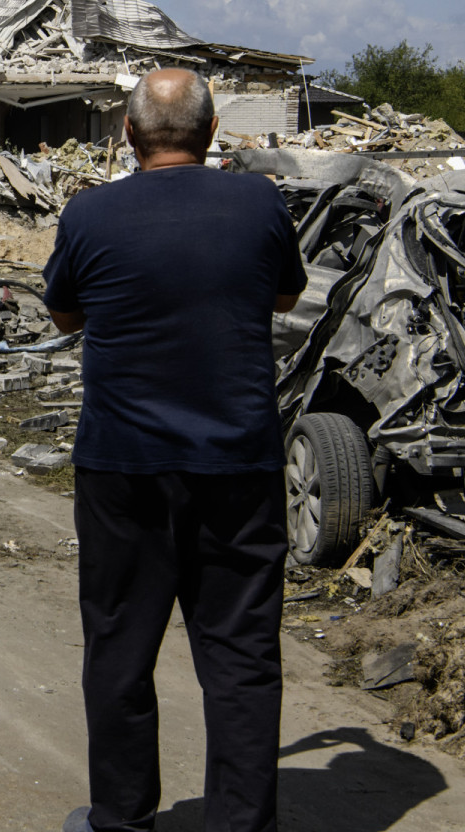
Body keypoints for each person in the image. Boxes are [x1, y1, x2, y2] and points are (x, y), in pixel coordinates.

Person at [42, 69, 306, 832]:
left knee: (121, 650)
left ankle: (122, 819)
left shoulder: (90, 213)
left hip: (124, 468)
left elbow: (64, 316)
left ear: (127, 134)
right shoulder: (259, 201)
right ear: (213, 129)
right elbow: (284, 296)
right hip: (239, 464)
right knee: (241, 657)